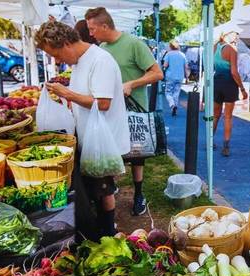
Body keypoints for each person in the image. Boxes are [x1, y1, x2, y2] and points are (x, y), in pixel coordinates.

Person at [35, 21, 130, 237]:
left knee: (103, 188)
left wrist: (68, 94)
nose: (57, 61)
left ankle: (107, 232)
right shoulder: (80, 62)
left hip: (104, 140)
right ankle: (97, 229)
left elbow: (103, 103)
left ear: (67, 43)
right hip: (89, 136)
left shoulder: (100, 60)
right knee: (94, 187)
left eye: (56, 54)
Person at [85, 7, 164, 216]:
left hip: (134, 111)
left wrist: (132, 84)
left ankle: (139, 194)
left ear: (104, 25)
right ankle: (111, 189)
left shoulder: (134, 44)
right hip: (111, 110)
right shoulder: (102, 47)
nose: (91, 34)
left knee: (137, 155)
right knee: (112, 152)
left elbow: (157, 73)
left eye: (93, 29)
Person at [213, 31, 248, 157]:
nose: (236, 37)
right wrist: (242, 89)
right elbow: (234, 72)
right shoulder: (232, 50)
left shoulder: (215, 47)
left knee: (215, 115)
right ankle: (226, 146)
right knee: (228, 116)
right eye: (234, 35)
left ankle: (210, 140)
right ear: (227, 35)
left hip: (216, 83)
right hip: (229, 84)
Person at [163, 40, 189, 116]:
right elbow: (186, 67)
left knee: (168, 92)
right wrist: (187, 77)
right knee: (176, 93)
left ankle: (172, 105)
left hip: (170, 76)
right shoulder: (182, 55)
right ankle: (175, 107)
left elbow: (165, 65)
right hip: (180, 77)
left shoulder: (168, 54)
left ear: (170, 46)